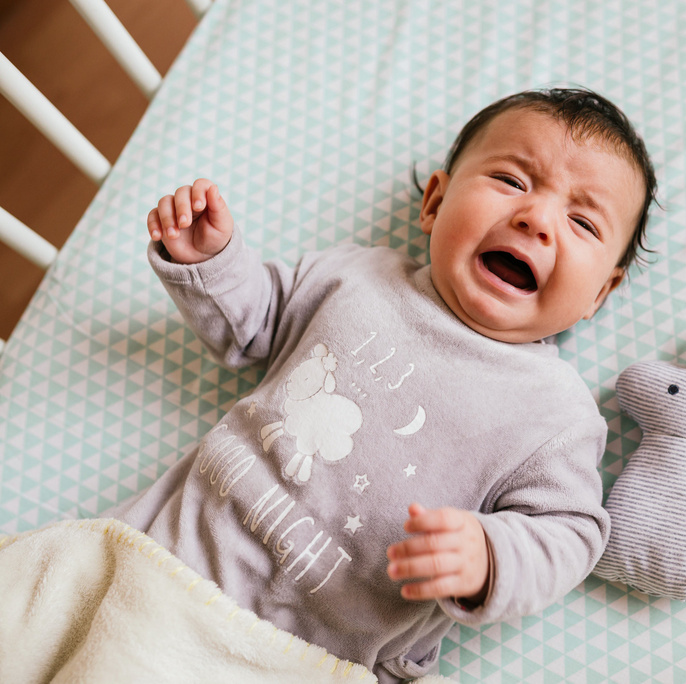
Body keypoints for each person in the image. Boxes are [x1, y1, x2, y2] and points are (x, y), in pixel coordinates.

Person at [118, 88, 658, 682]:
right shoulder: (356, 277)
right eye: (511, 181)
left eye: (582, 221)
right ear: (435, 201)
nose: (536, 219)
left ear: (601, 293)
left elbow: (571, 534)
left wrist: (490, 555)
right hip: (167, 562)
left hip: (319, 654)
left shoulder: (556, 414)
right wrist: (213, 262)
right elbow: (255, 323)